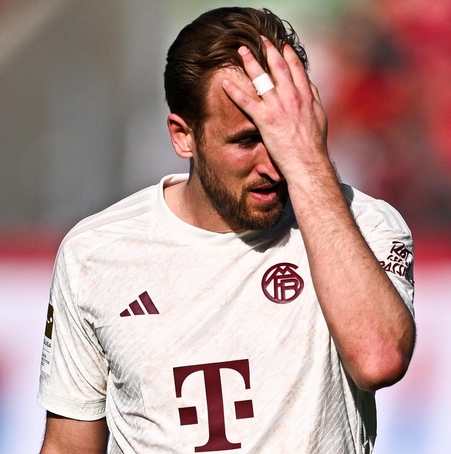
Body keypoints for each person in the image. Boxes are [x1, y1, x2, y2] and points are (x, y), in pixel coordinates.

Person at [37, 6, 415, 453]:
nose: (272, 164)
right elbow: (68, 446)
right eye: (246, 140)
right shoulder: (94, 253)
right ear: (183, 136)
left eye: (283, 135)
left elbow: (378, 359)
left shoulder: (362, 225)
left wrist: (308, 160)